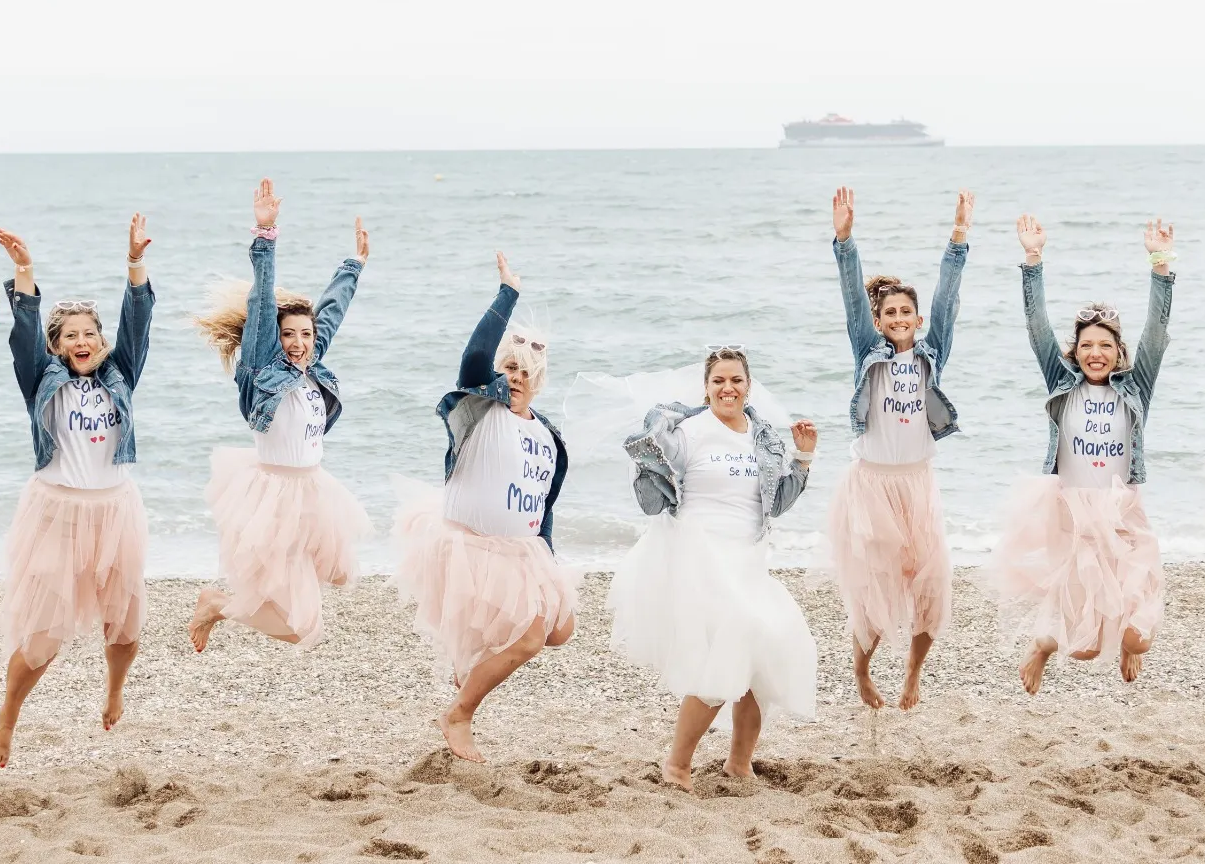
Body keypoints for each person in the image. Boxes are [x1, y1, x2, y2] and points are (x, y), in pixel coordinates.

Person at [0, 215, 155, 768]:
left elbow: (138, 324)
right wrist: (25, 273)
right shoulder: (43, 378)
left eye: (91, 333)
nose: (83, 342)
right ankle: (8, 712)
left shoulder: (120, 373)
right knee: (42, 636)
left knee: (125, 627)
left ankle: (114, 688)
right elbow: (24, 335)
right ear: (58, 346)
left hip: (115, 509)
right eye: (71, 335)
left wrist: (134, 265)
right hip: (56, 511)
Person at [394, 252, 575, 764]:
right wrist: (507, 296)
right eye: (509, 368)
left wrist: (549, 556)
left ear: (539, 380)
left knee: (561, 630)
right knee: (531, 639)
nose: (516, 377)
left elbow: (544, 501)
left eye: (526, 371)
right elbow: (472, 361)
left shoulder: (546, 433)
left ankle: (469, 664)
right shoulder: (480, 409)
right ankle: (459, 713)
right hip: (473, 545)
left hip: (524, 549)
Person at [610, 348, 820, 788]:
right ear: (705, 388)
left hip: (747, 560)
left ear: (748, 386)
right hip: (700, 555)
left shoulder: (762, 437)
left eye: (736, 380)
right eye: (719, 381)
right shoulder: (686, 432)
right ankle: (677, 764)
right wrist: (646, 458)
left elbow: (776, 503)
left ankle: (739, 763)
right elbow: (650, 500)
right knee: (729, 647)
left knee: (768, 650)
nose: (728, 388)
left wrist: (803, 459)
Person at [188, 178, 371, 651]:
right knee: (301, 628)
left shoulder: (312, 365)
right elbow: (261, 300)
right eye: (289, 335)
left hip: (314, 491)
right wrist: (265, 237)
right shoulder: (262, 367)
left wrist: (354, 265)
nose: (299, 343)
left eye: (305, 335)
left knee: (332, 575)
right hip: (272, 496)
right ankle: (217, 604)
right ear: (275, 337)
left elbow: (330, 312)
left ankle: (229, 603)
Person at [996, 215, 1174, 693]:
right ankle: (1041, 647)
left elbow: (1157, 332)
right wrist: (1033, 260)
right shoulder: (1062, 384)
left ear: (1119, 351)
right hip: (1072, 512)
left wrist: (1160, 265)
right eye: (1087, 345)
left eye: (1106, 345)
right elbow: (1037, 330)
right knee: (1083, 645)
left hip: (1122, 513)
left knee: (1137, 638)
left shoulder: (1136, 388)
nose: (1096, 353)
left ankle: (1130, 648)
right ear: (1074, 352)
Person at [826, 186, 972, 710]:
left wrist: (959, 236)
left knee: (930, 588)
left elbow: (948, 299)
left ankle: (913, 675)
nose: (898, 318)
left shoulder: (932, 355)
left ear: (915, 316)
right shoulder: (869, 352)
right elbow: (850, 299)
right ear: (879, 319)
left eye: (906, 310)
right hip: (871, 486)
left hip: (918, 484)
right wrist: (844, 239)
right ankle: (862, 670)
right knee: (876, 592)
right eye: (888, 312)